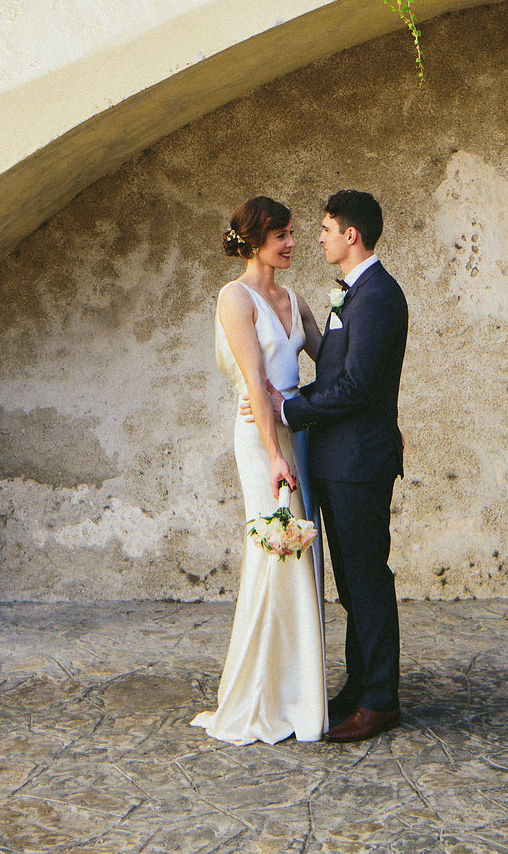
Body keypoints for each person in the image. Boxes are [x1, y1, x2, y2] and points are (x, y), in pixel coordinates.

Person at [191, 196, 327, 745]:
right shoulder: (235, 297)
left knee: (305, 554)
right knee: (277, 551)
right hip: (263, 440)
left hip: (302, 432)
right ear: (254, 242)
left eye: (295, 234)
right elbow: (254, 381)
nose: (293, 244)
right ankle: (264, 695)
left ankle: (300, 692)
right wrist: (274, 454)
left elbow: (332, 362)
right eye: (283, 236)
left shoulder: (295, 298)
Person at [279, 190, 408, 742]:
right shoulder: (351, 296)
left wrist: (289, 408)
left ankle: (380, 700)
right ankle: (359, 687)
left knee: (368, 580)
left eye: (327, 227)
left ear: (351, 235)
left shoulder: (377, 296)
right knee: (353, 585)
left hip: (359, 462)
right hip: (338, 458)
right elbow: (338, 376)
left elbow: (355, 388)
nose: (320, 236)